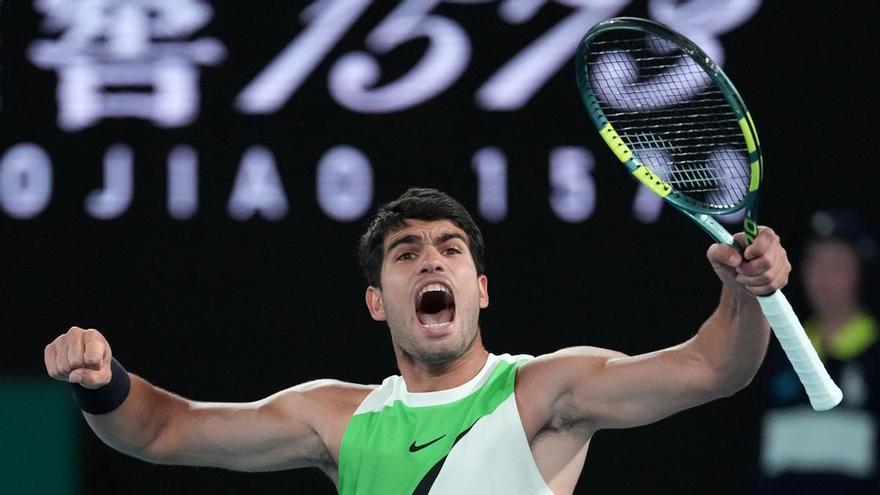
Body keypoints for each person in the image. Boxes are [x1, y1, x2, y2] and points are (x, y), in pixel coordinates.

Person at [45, 188, 790, 494]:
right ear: (378, 301)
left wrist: (746, 290)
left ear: (480, 289)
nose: (431, 261)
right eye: (406, 254)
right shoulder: (337, 418)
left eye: (449, 249)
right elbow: (162, 430)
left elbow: (714, 366)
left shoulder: (546, 391)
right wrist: (102, 381)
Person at [754, 209, 880, 494]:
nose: (824, 277)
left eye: (837, 264)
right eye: (815, 262)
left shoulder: (874, 357)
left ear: (861, 270)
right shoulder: (771, 352)